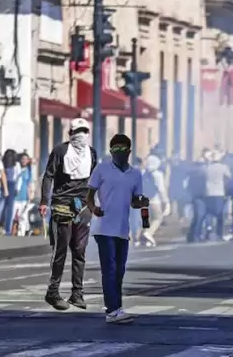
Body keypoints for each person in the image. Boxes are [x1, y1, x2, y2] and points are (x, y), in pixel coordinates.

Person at [86, 134, 147, 324]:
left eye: (123, 149)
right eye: (115, 150)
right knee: (110, 270)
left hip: (122, 228)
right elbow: (89, 194)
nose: (119, 153)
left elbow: (135, 202)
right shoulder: (102, 169)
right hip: (103, 227)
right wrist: (93, 208)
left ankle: (117, 308)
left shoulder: (135, 174)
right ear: (111, 151)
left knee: (119, 271)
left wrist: (142, 202)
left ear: (129, 151)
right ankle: (112, 311)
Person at [40, 118, 98, 311]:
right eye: (77, 131)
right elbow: (48, 175)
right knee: (60, 252)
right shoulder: (60, 151)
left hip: (83, 208)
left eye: (84, 131)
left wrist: (97, 203)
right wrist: (44, 201)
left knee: (80, 252)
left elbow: (95, 180)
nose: (81, 135)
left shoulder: (92, 153)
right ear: (70, 134)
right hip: (62, 206)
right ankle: (53, 292)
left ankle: (77, 293)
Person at [11, 153, 34, 236]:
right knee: (13, 216)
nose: (24, 160)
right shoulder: (16, 169)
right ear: (20, 160)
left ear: (28, 161)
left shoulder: (29, 171)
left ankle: (22, 234)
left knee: (23, 217)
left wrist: (30, 196)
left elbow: (29, 184)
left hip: (24, 197)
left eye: (26, 159)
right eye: (23, 159)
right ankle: (10, 233)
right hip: (15, 197)